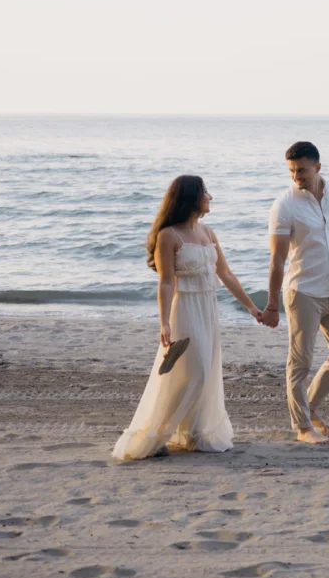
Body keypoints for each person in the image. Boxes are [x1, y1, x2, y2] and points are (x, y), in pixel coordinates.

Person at [112, 175, 262, 461]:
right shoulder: (168, 236)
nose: (210, 197)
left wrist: (252, 308)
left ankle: (195, 432)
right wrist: (164, 322)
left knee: (205, 372)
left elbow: (226, 274)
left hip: (208, 309)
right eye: (206, 192)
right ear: (192, 197)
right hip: (184, 311)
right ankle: (155, 435)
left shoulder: (208, 233)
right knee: (194, 371)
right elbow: (166, 282)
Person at [260, 142, 329, 445]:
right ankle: (303, 427)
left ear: (317, 168)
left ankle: (310, 404)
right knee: (300, 362)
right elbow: (277, 258)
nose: (297, 176)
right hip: (303, 291)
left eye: (302, 170)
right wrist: (271, 304)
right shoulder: (284, 205)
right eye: (292, 171)